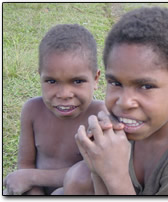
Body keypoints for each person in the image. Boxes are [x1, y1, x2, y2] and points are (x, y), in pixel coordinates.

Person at [75, 7, 168, 195]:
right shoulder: (132, 127)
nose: (124, 102)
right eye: (115, 83)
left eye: (146, 86)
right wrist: (98, 168)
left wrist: (116, 176)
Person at [3, 24, 107, 195]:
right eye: (51, 81)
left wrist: (32, 178)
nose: (64, 94)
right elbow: (25, 166)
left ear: (95, 79)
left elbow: (91, 174)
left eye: (77, 81)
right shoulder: (32, 110)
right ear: (40, 76)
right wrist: (33, 189)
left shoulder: (99, 117)